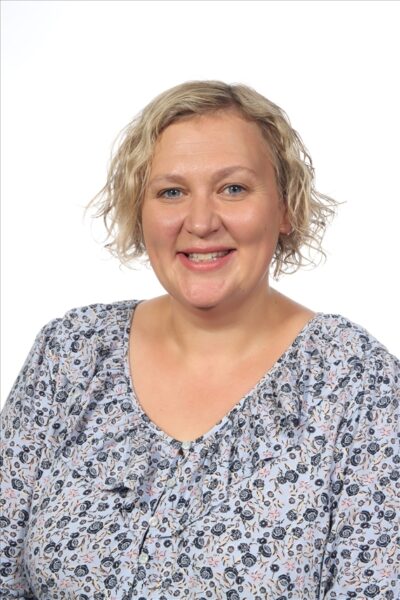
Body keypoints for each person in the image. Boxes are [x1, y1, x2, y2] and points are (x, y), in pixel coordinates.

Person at [1, 81, 399, 600]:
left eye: (233, 189)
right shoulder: (71, 353)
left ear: (285, 208)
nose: (202, 222)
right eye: (171, 192)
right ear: (139, 212)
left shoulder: (357, 384)